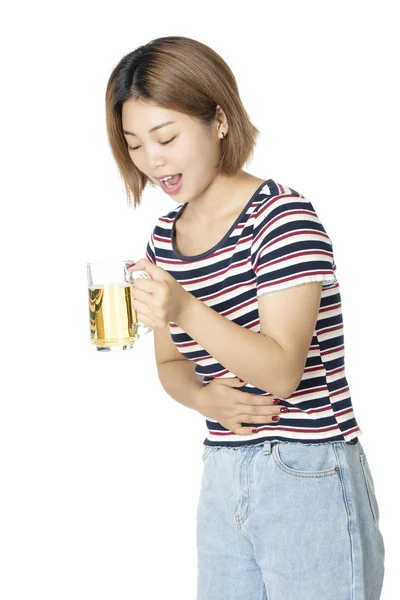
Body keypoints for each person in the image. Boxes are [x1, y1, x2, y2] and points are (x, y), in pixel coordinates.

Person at [105, 36, 385, 600]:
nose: (152, 160)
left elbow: (282, 372)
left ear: (220, 121)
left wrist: (183, 305)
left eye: (166, 137)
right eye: (134, 145)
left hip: (309, 470)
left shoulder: (280, 217)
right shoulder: (163, 239)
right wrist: (204, 399)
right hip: (223, 471)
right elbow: (169, 362)